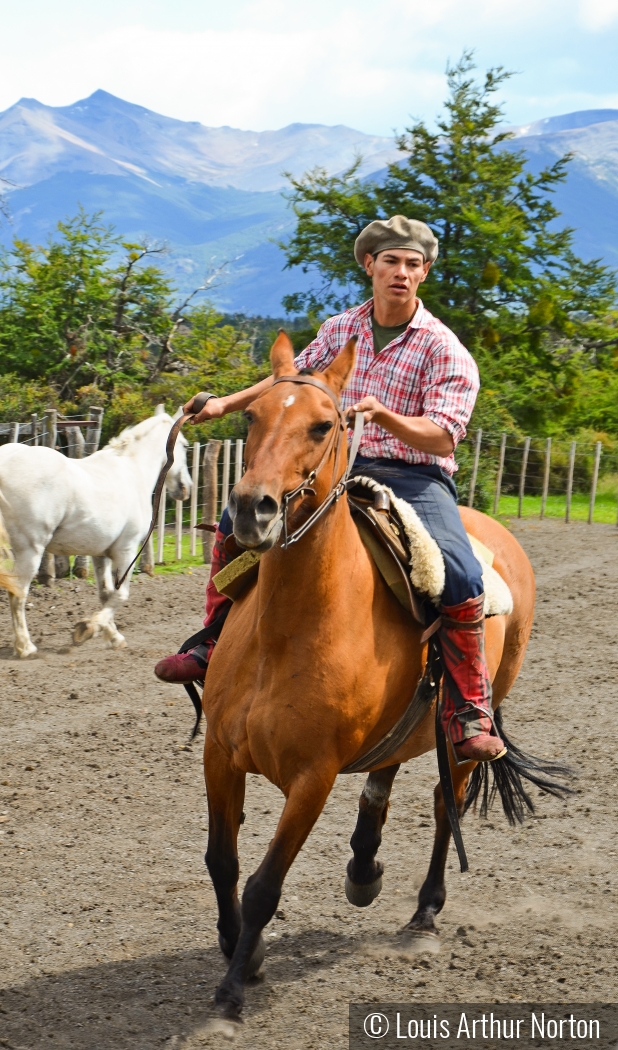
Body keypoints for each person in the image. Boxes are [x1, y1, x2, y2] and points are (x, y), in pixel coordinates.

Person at [155, 215, 505, 763]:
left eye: (413, 265)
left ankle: (468, 707)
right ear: (370, 265)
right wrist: (227, 403)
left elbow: (441, 437)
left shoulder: (444, 349)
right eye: (391, 261)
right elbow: (290, 381)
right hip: (333, 462)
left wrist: (385, 416)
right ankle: (213, 638)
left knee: (458, 572)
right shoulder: (342, 327)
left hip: (412, 473)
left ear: (424, 274)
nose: (402, 273)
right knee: (236, 521)